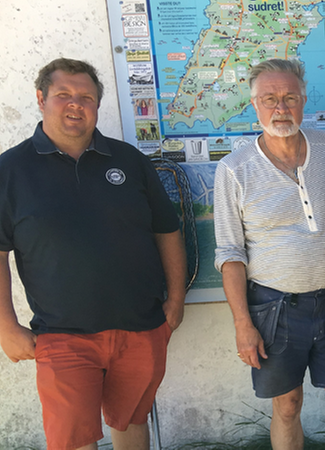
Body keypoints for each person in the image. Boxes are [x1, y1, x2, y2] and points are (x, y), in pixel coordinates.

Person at [0, 58, 186, 450]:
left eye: (86, 96)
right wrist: (6, 326)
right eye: (63, 94)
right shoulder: (10, 170)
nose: (76, 104)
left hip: (141, 328)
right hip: (61, 337)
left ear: (97, 105)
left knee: (132, 422)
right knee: (72, 439)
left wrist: (176, 300)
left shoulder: (129, 161)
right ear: (41, 99)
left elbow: (167, 230)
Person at [214, 59, 325, 450]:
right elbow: (230, 254)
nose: (280, 108)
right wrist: (243, 324)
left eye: (289, 98)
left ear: (303, 100)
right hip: (273, 309)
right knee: (287, 407)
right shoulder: (234, 169)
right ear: (254, 104)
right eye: (269, 99)